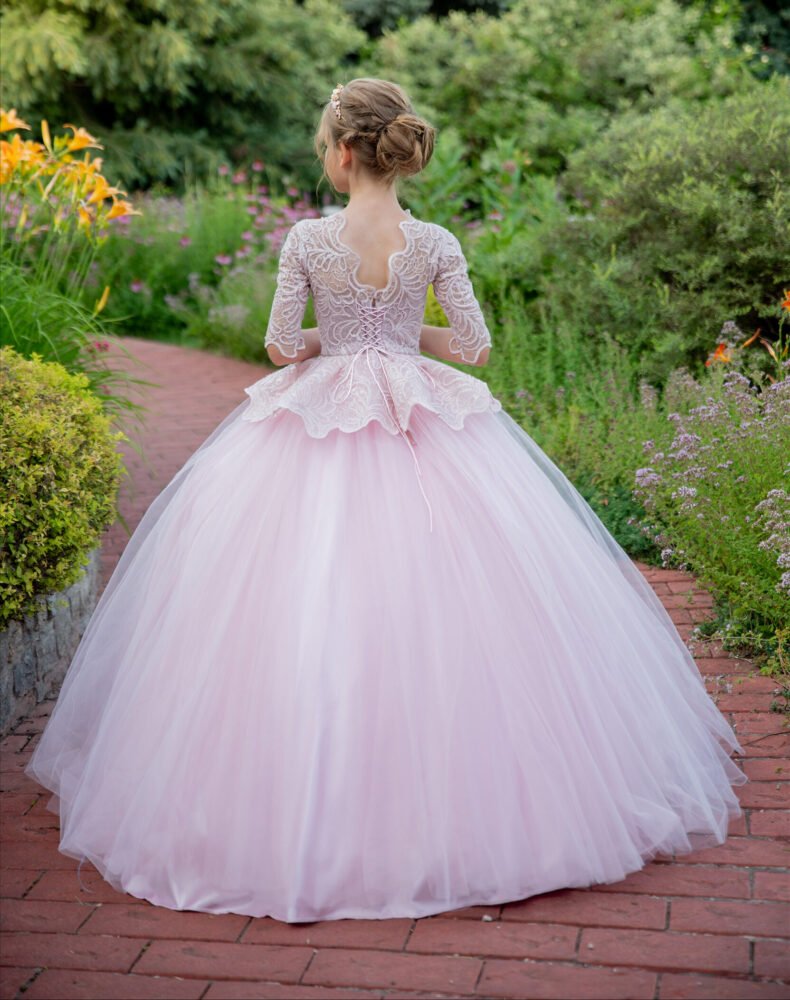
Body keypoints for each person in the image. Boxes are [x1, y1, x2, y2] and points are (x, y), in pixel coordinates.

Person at [25, 77, 747, 923]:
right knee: (459, 593)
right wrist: (402, 336)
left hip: (322, 406)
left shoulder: (308, 238)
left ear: (342, 153)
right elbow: (474, 346)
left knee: (302, 593)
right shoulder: (434, 240)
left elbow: (279, 345)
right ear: (396, 151)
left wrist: (338, 337)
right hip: (419, 407)